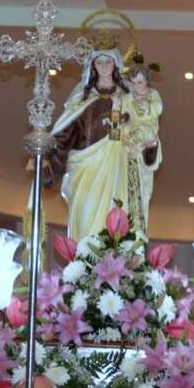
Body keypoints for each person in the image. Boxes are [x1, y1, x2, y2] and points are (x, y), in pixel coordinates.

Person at [39, 44, 158, 241]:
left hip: (119, 168)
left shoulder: (129, 97)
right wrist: (45, 160)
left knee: (117, 223)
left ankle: (116, 258)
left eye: (108, 62)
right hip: (87, 171)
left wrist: (150, 146)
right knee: (86, 228)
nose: (103, 67)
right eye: (99, 62)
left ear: (115, 64)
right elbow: (65, 135)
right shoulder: (82, 98)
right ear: (93, 66)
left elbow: (144, 130)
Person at [121, 60, 162, 234]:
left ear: (147, 81)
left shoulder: (153, 95)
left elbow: (155, 110)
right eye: (134, 82)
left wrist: (141, 100)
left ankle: (137, 229)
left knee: (142, 192)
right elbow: (120, 112)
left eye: (140, 82)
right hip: (129, 136)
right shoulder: (128, 96)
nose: (137, 86)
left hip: (146, 134)